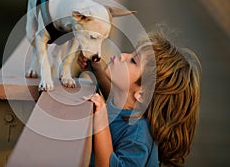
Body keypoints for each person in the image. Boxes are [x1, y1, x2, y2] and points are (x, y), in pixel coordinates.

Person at [78, 30, 202, 167]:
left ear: (142, 95)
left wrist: (101, 124)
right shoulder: (125, 105)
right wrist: (97, 70)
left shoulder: (138, 136)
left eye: (133, 61)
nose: (123, 55)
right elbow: (114, 99)